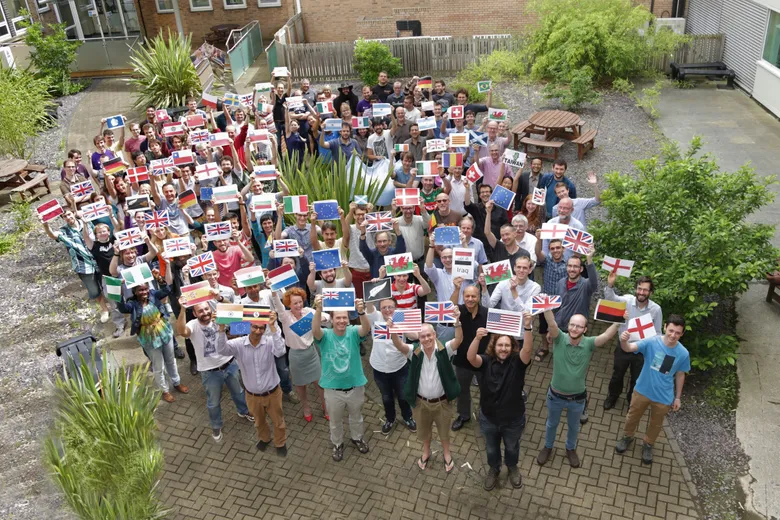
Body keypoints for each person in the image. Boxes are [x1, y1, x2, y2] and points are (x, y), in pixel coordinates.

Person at [537, 309, 619, 468]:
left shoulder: (588, 344)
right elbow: (552, 323)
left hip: (577, 399)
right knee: (551, 424)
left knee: (574, 426)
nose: (574, 329)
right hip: (555, 396)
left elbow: (606, 336)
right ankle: (548, 446)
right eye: (572, 325)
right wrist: (546, 308)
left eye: (579, 326)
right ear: (567, 326)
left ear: (585, 330)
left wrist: (618, 322)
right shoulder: (559, 339)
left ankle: (570, 448)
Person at [467, 314, 534, 490]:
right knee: (491, 449)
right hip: (488, 418)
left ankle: (512, 467)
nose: (503, 348)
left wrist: (527, 327)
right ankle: (494, 468)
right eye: (500, 345)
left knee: (512, 447)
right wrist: (476, 337)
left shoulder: (517, 363)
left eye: (507, 345)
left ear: (512, 347)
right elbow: (470, 358)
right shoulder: (486, 361)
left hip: (513, 420)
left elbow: (527, 350)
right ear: (494, 346)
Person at [389, 319, 463, 473]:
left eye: (429, 335)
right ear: (419, 338)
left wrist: (457, 324)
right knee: (424, 431)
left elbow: (459, 340)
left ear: (435, 334)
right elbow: (399, 345)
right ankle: (426, 452)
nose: (427, 339)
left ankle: (447, 454)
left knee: (444, 432)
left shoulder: (444, 349)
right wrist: (393, 331)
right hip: (421, 403)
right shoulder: (415, 351)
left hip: (442, 402)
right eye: (423, 337)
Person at [615, 315, 690, 465]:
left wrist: (677, 397)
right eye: (671, 330)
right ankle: (627, 436)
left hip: (663, 397)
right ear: (665, 327)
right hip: (642, 390)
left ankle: (648, 444)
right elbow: (629, 348)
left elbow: (680, 374)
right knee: (632, 417)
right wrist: (624, 340)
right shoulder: (651, 342)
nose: (673, 335)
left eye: (677, 333)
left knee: (656, 424)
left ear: (682, 334)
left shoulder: (683, 353)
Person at [175, 301, 254, 442]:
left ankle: (244, 411)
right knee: (213, 402)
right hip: (209, 372)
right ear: (194, 313)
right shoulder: (193, 325)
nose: (205, 312)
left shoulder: (219, 318)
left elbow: (241, 322)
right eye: (200, 311)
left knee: (239, 392)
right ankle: (216, 425)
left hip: (230, 364)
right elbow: (182, 332)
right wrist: (182, 309)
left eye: (206, 309)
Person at [216, 312, 289, 457]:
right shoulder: (239, 344)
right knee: (259, 422)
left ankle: (280, 442)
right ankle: (264, 438)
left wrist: (273, 327)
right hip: (252, 395)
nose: (258, 331)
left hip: (273, 393)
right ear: (248, 326)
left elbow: (280, 351)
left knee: (278, 422)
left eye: (261, 328)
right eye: (254, 327)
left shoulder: (269, 342)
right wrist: (221, 329)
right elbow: (221, 349)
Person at [312, 295, 371, 462]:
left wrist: (361, 312)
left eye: (345, 317)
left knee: (356, 417)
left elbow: (365, 329)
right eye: (338, 317)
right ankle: (337, 443)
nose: (342, 321)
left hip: (355, 386)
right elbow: (315, 330)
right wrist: (318, 310)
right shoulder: (326, 336)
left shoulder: (353, 332)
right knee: (335, 421)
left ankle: (357, 438)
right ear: (331, 319)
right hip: (333, 390)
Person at [116, 275, 189, 403]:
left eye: (145, 289)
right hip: (149, 337)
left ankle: (176, 382)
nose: (144, 292)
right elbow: (122, 308)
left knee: (171, 360)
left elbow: (167, 291)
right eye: (140, 290)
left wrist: (160, 280)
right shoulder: (132, 304)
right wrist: (119, 288)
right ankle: (164, 390)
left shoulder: (154, 295)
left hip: (164, 332)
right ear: (134, 292)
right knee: (158, 365)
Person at [604, 272, 663, 410]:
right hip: (623, 347)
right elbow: (610, 298)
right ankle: (612, 397)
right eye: (639, 289)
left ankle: (631, 400)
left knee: (637, 379)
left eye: (645, 290)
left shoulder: (656, 310)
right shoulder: (627, 301)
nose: (641, 292)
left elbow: (658, 333)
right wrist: (610, 284)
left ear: (651, 292)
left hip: (641, 352)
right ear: (636, 289)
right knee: (617, 375)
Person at [40, 208, 111, 322]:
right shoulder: (64, 231)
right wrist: (45, 225)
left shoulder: (86, 223)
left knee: (107, 284)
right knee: (93, 289)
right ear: (63, 218)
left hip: (98, 259)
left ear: (73, 213)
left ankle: (113, 304)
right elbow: (53, 235)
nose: (68, 217)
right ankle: (104, 309)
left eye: (69, 214)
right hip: (82, 264)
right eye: (65, 216)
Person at [272, 287, 329, 421]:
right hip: (296, 356)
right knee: (300, 385)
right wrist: (273, 291)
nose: (298, 305)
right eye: (294, 303)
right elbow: (277, 303)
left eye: (300, 302)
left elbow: (325, 316)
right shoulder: (285, 317)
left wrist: (323, 318)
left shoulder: (309, 312)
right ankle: (306, 407)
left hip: (311, 353)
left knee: (320, 383)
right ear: (289, 304)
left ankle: (325, 406)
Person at [367, 298, 417, 435]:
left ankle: (408, 417)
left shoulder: (401, 317)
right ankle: (390, 419)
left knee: (403, 396)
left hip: (399, 366)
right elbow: (369, 304)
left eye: (390, 307)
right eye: (384, 307)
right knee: (386, 397)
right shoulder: (375, 316)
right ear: (379, 308)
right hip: (379, 367)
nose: (387, 310)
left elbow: (415, 335)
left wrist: (401, 327)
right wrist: (375, 288)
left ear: (396, 308)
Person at [449, 283, 489, 432]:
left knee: (486, 390)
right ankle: (464, 415)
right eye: (467, 296)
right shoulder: (458, 312)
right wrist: (457, 289)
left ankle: (485, 416)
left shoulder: (487, 313)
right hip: (462, 361)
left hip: (482, 360)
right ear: (463, 297)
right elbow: (449, 308)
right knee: (462, 390)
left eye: (473, 296)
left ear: (478, 298)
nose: (470, 299)